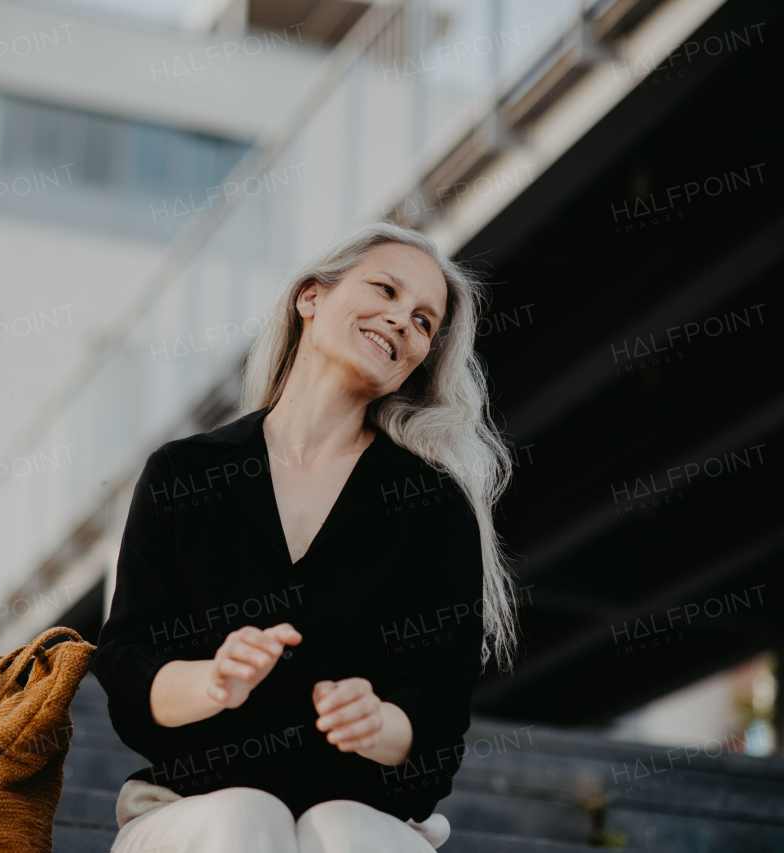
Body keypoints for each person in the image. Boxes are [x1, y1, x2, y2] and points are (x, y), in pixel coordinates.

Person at [89, 221, 524, 852]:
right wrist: (213, 680)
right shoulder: (184, 474)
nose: (403, 320)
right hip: (194, 813)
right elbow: (129, 669)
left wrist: (380, 724)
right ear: (311, 297)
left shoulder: (433, 507)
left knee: (343, 834)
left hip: (368, 821)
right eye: (385, 289)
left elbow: (435, 721)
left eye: (425, 322)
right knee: (243, 818)